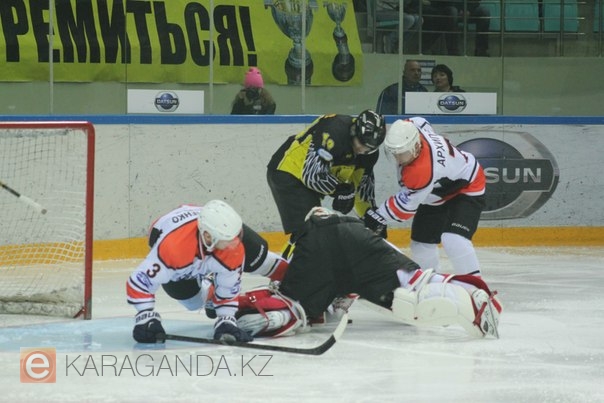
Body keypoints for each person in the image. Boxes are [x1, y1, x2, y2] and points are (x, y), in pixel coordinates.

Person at [234, 207, 502, 339]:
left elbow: (297, 284)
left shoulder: (302, 244)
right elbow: (406, 269)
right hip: (357, 236)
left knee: (294, 309)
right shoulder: (350, 225)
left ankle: (271, 317)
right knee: (413, 282)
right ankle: (470, 294)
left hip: (314, 250)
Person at [126, 200, 289, 344]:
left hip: (206, 229)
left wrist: (226, 318)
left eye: (237, 236)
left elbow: (229, 286)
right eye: (228, 240)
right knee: (192, 302)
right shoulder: (173, 250)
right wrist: (146, 316)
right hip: (178, 242)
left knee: (259, 259)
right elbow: (139, 282)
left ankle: (299, 284)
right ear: (208, 237)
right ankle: (209, 288)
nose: (235, 245)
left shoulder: (231, 242)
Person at [363, 117, 486, 277]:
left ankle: (475, 285)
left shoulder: (420, 171)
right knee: (421, 244)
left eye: (402, 153)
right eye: (394, 153)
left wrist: (379, 216)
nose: (398, 158)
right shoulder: (413, 128)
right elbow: (421, 121)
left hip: (467, 186)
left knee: (453, 239)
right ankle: (430, 284)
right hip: (435, 192)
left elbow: (405, 208)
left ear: (415, 147)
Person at [266, 110, 386, 242]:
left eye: (368, 149)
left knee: (317, 233)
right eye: (360, 143)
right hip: (288, 171)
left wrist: (370, 216)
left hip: (306, 180)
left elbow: (361, 188)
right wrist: (338, 191)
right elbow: (311, 175)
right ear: (354, 131)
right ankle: (294, 254)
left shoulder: (368, 155)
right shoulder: (334, 131)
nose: (362, 150)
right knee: (310, 233)